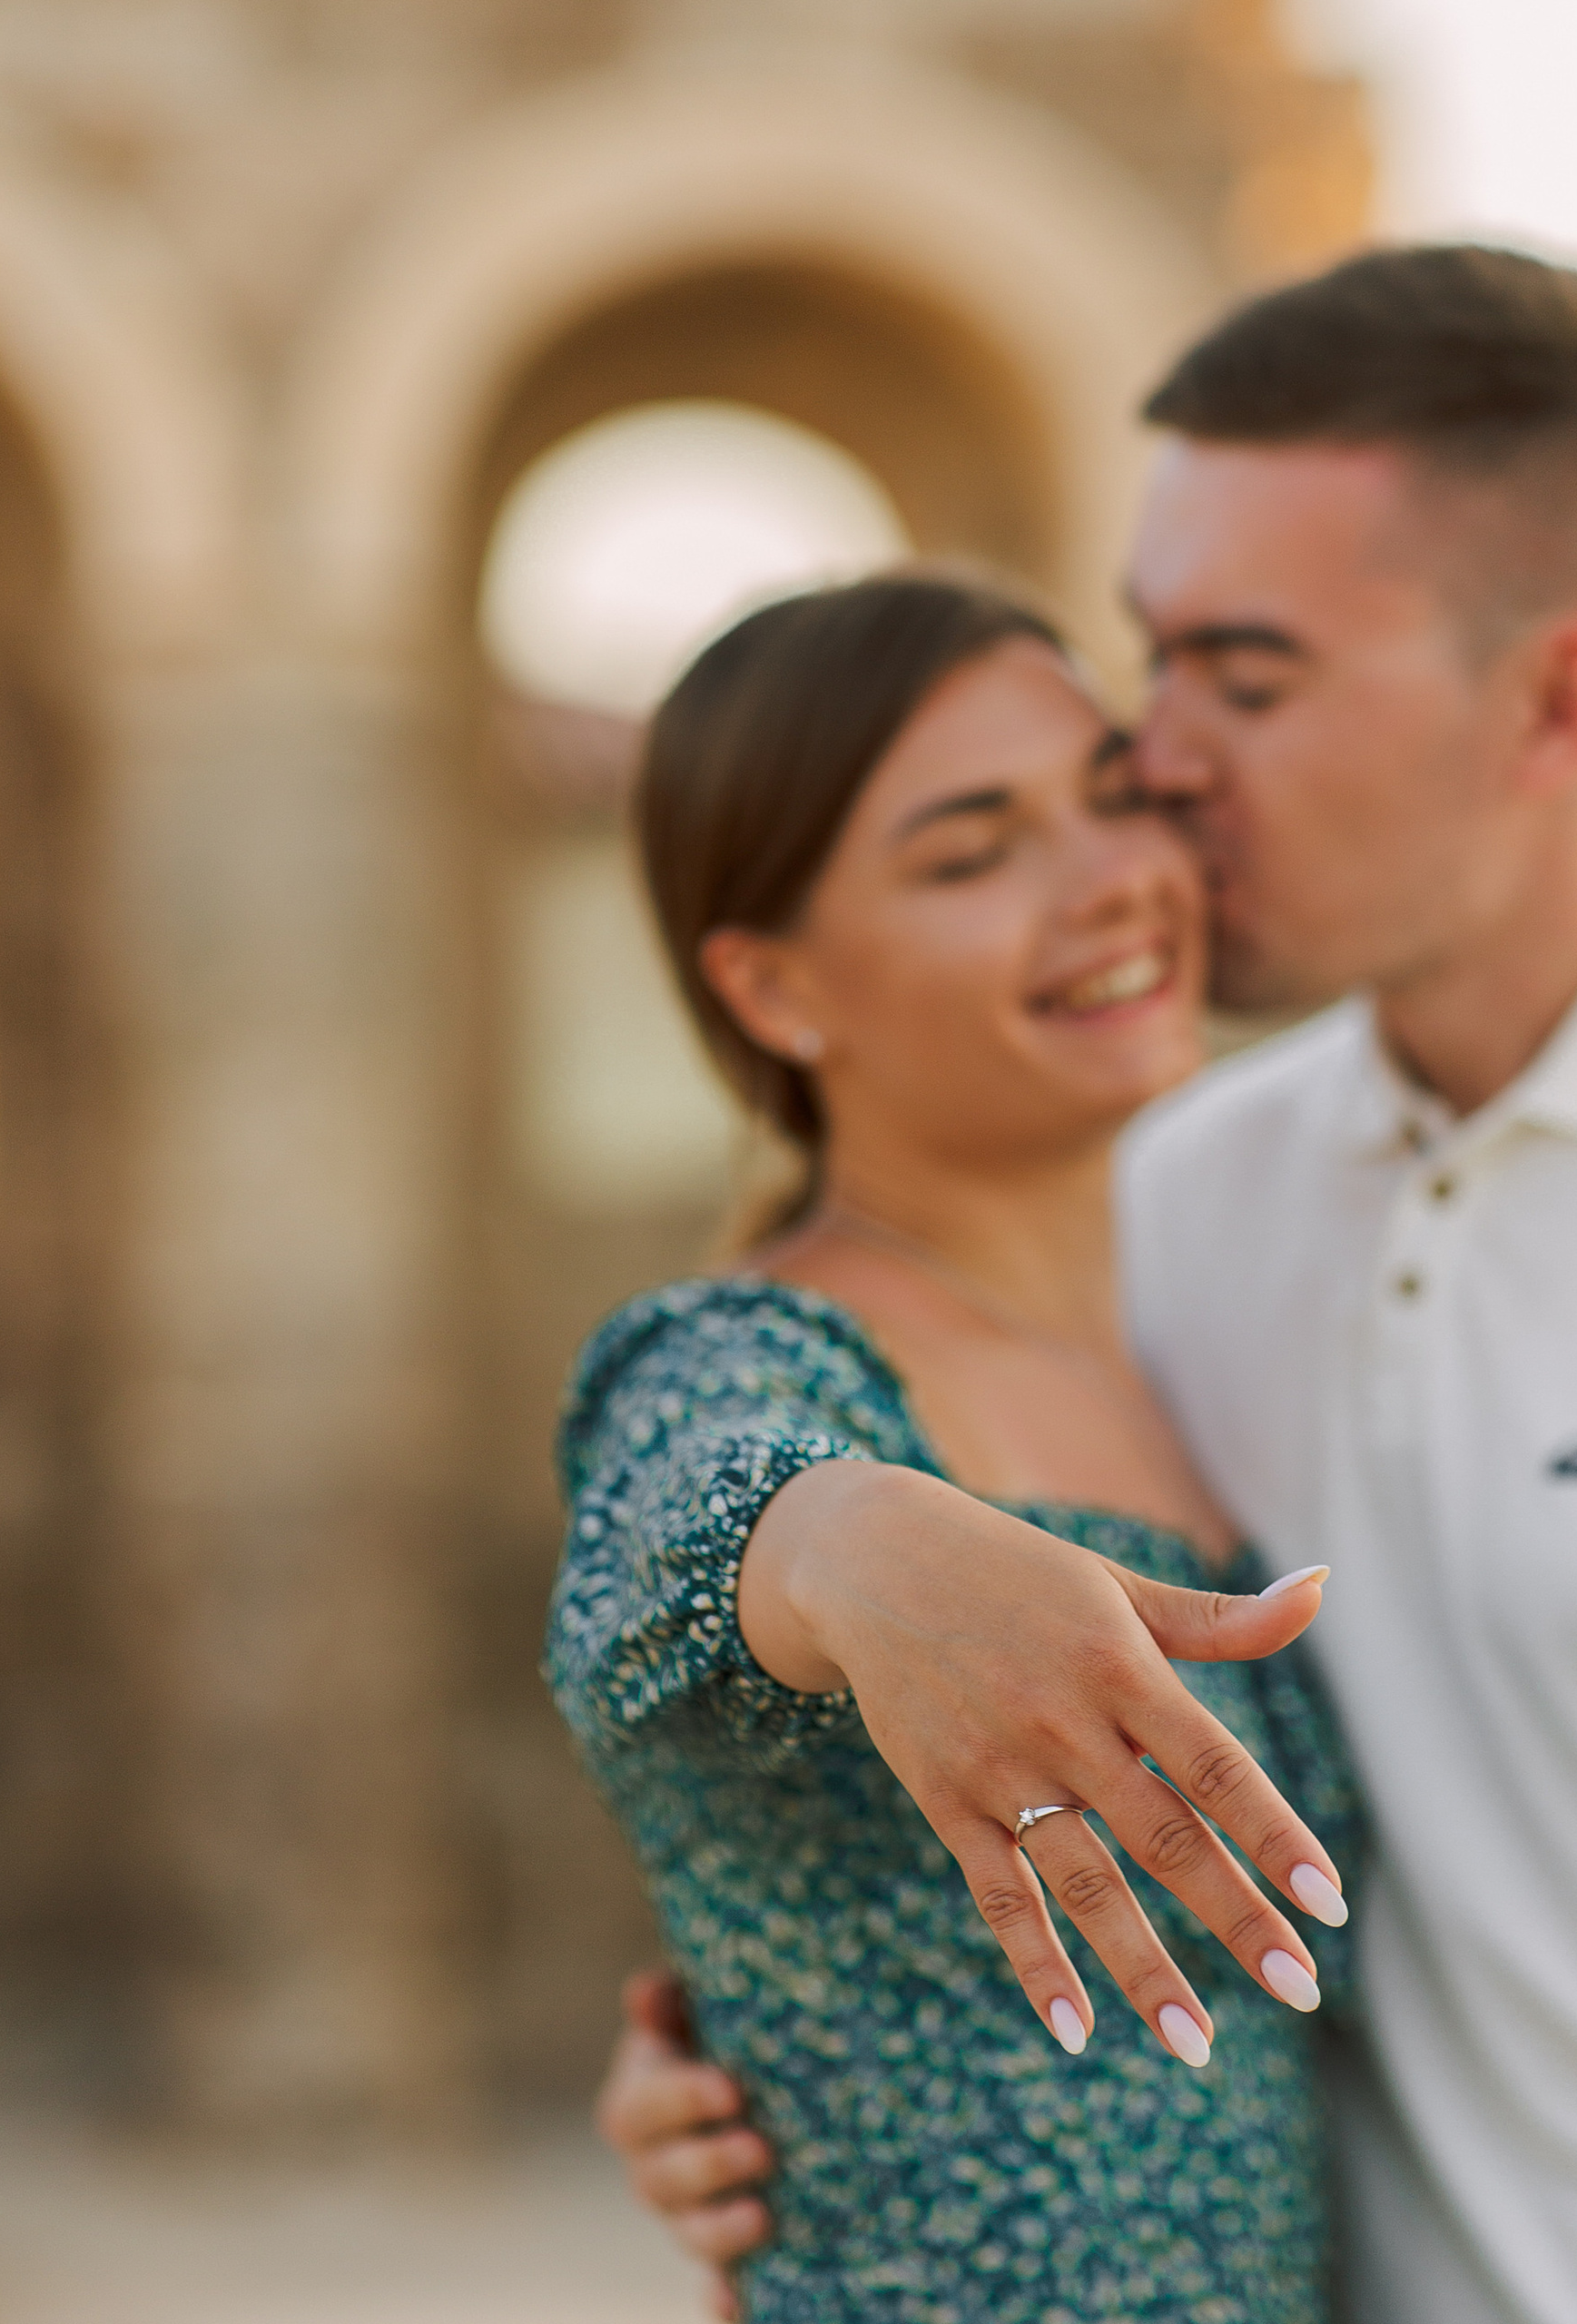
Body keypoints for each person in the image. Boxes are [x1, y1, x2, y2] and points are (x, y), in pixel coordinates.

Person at [593, 246, 1577, 2323]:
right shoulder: (1181, 1198)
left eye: (1242, 680)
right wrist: (778, 2061)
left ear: (1559, 700)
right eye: (1149, 656)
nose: (1150, 760)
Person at [545, 571, 1365, 2324]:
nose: (1111, 883)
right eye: (972, 850)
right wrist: (847, 1539)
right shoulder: (768, 1353)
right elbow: (683, 1497)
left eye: (1118, 797)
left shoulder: (1229, 1316)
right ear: (774, 987)